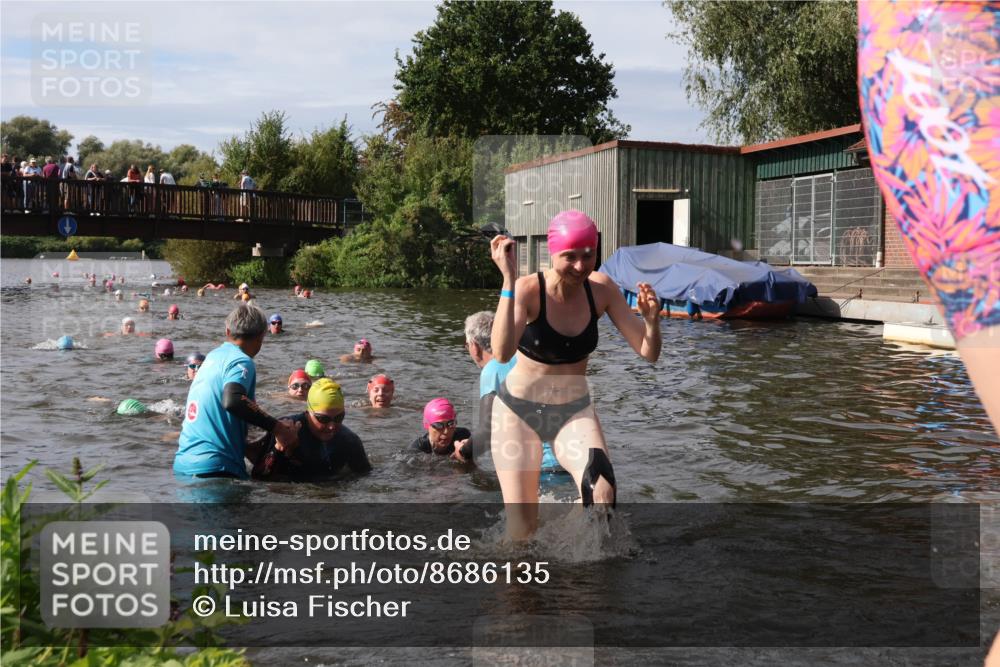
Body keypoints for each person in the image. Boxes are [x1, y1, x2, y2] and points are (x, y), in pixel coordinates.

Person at [489, 210, 661, 537]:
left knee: (602, 492)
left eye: (589, 255)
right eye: (570, 257)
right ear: (552, 253)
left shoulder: (602, 290)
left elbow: (648, 353)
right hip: (518, 413)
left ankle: (587, 577)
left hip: (573, 410)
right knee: (522, 530)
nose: (581, 266)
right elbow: (501, 352)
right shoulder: (528, 289)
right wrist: (508, 281)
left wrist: (652, 321)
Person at [174, 304, 299, 480]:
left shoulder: (212, 357)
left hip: (184, 466)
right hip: (216, 470)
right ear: (262, 335)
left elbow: (218, 417)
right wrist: (279, 429)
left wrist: (249, 449)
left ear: (227, 331)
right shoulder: (241, 361)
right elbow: (233, 400)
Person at [459, 311, 563, 471]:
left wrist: (464, 451)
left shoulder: (492, 370)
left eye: (467, 346)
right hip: (565, 460)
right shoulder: (528, 358)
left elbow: (487, 433)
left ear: (474, 346)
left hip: (537, 468)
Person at [252, 378, 371, 482]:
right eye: (323, 419)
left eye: (339, 418)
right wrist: (279, 448)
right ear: (309, 412)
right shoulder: (285, 430)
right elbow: (258, 478)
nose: (332, 426)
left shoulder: (349, 441)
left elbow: (365, 477)